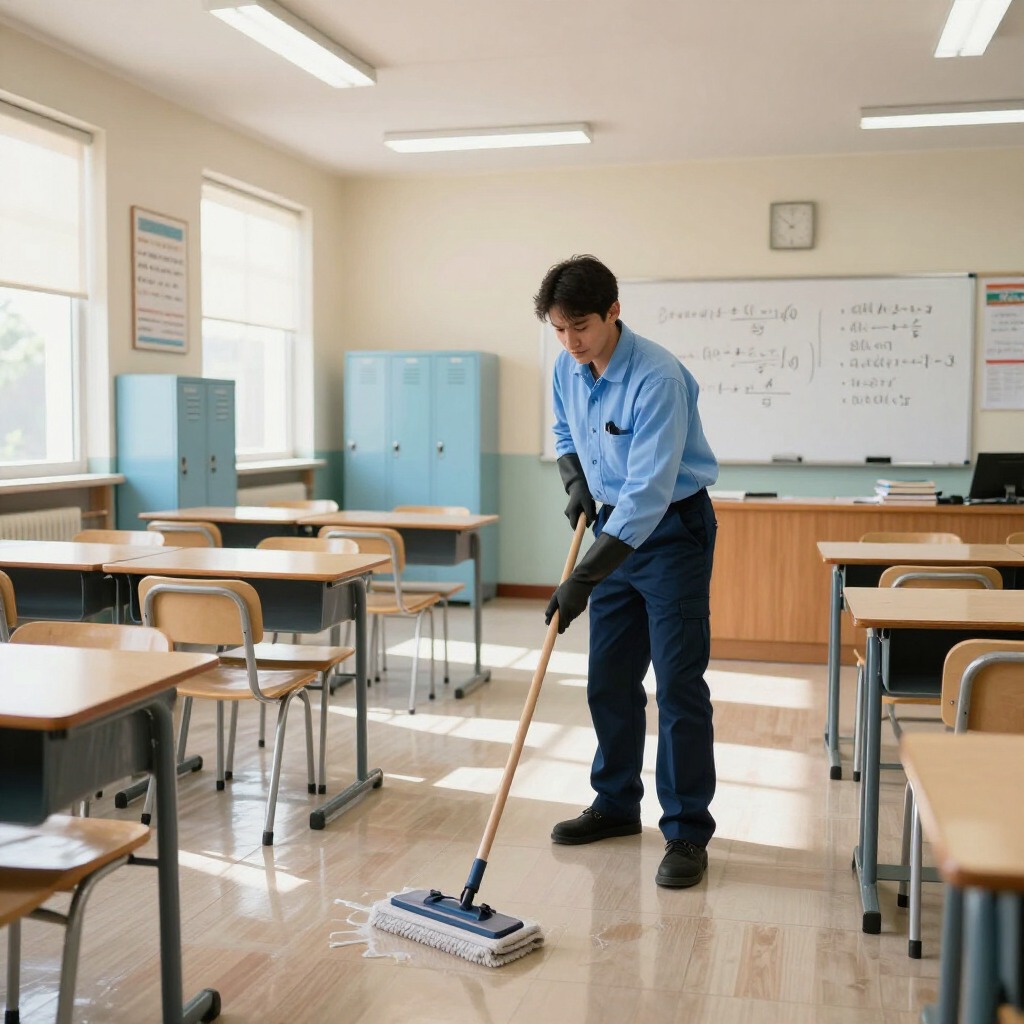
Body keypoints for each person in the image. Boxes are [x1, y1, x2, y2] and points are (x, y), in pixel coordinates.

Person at [538, 255, 720, 888]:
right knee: (610, 681)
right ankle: (616, 804)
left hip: (671, 532)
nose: (571, 342)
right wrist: (576, 477)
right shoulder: (568, 363)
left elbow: (647, 495)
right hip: (611, 527)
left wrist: (582, 579)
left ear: (614, 311)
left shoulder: (657, 378)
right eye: (559, 329)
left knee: (677, 684)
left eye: (580, 326)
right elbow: (564, 427)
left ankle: (687, 831)